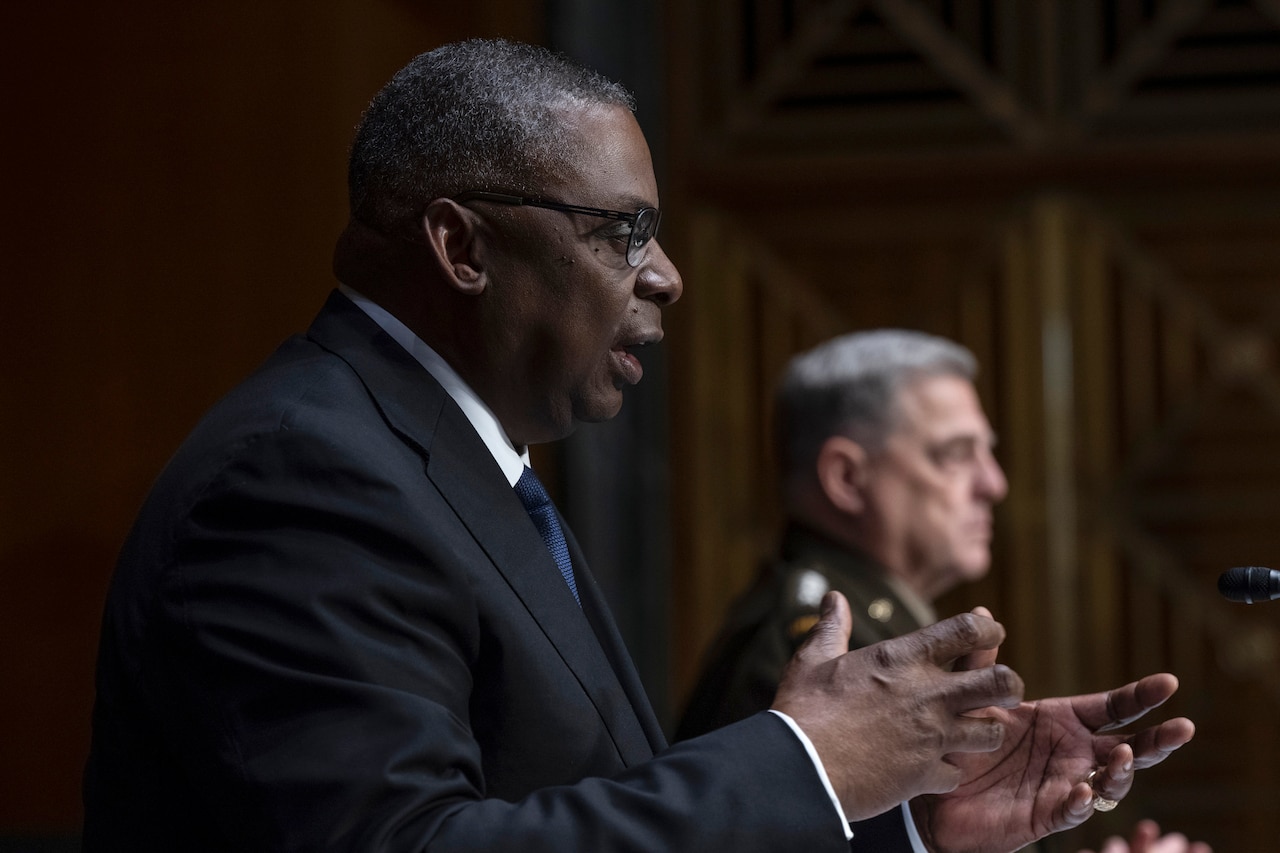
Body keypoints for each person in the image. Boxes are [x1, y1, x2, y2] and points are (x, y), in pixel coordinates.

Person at [82, 39, 1195, 853]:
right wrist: (803, 763)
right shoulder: (300, 478)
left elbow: (591, 811)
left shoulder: (465, 471)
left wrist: (894, 818)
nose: (665, 275)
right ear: (461, 244)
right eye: (624, 232)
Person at [677, 329, 1209, 851]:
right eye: (956, 454)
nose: (993, 483)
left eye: (988, 452)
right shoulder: (814, 654)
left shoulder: (875, 632)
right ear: (847, 477)